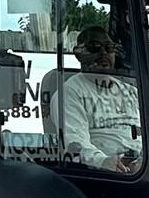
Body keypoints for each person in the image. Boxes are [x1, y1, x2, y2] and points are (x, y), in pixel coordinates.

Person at [55, 24, 142, 173]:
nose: (104, 53)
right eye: (95, 47)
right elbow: (75, 143)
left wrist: (143, 162)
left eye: (109, 48)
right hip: (104, 173)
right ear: (79, 54)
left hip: (143, 168)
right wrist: (103, 162)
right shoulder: (69, 92)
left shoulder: (131, 92)